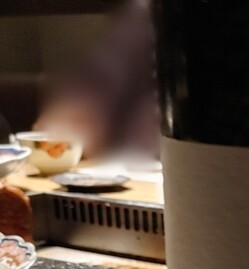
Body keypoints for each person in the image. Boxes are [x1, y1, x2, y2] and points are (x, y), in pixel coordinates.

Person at [33, 0, 159, 160]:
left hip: (166, 157)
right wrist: (78, 113)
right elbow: (101, 77)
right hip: (134, 162)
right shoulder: (148, 11)